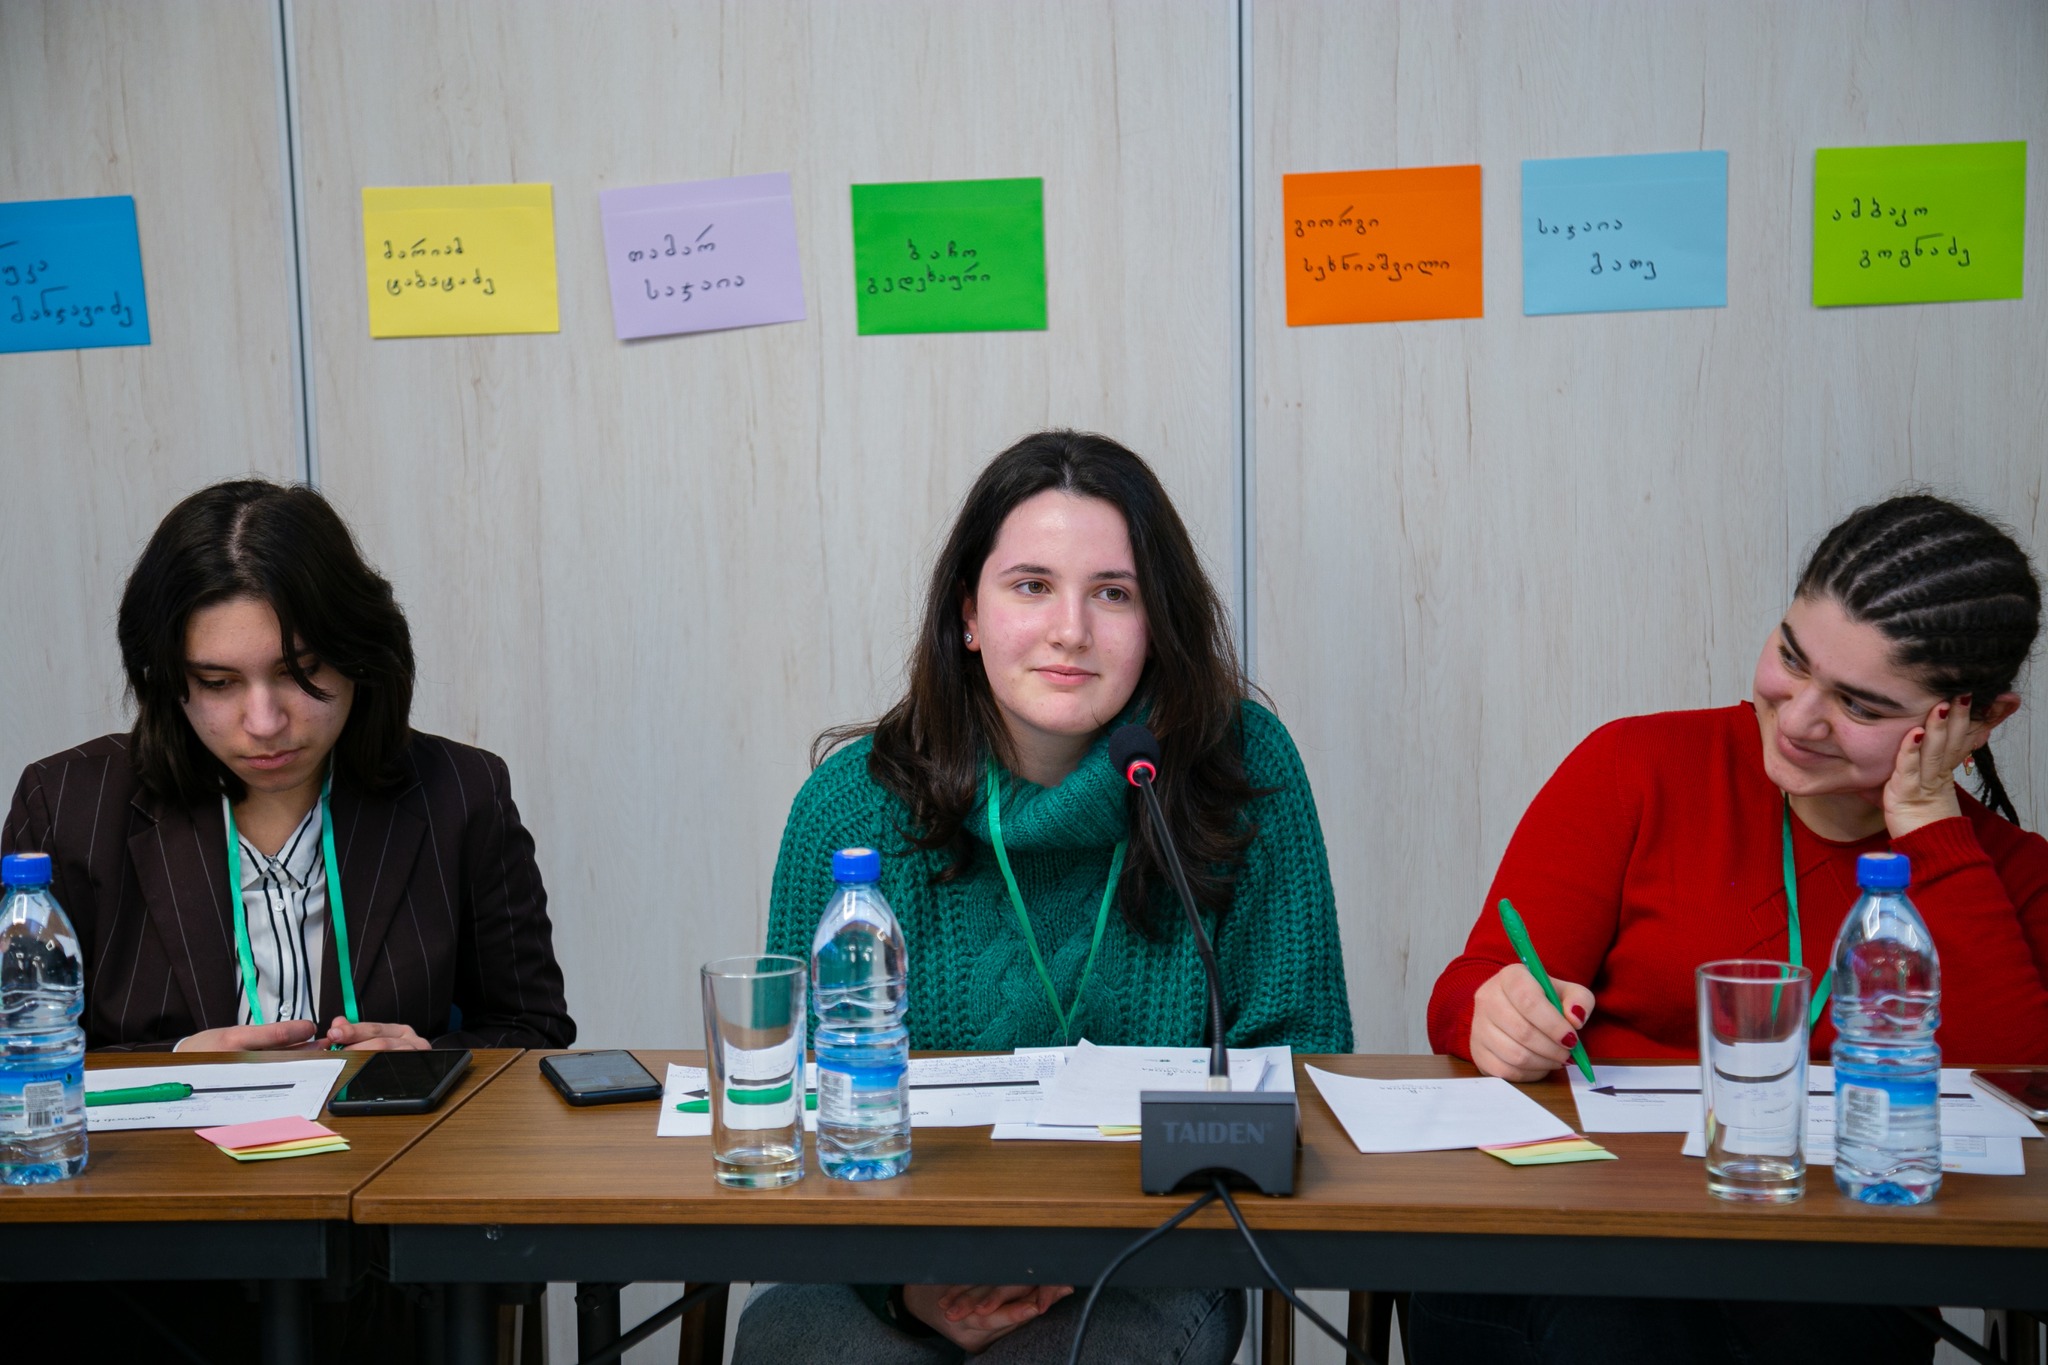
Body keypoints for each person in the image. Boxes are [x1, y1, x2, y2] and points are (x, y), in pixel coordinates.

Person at [732, 430, 1352, 1364]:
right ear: (969, 615)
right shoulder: (852, 806)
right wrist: (907, 1288)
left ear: (1159, 620)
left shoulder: (1242, 772)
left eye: (1114, 593)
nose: (1072, 630)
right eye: (1031, 586)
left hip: (1153, 1256)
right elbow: (803, 1099)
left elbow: (1302, 1065)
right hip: (886, 1252)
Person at [1415, 493, 2048, 1364]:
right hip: (1581, 1234)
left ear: (1975, 721)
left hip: (1821, 1270)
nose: (1797, 717)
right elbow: (1470, 988)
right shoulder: (1637, 767)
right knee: (1614, 1320)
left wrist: (1930, 830)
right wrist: (1493, 1014)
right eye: (1791, 657)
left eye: (1861, 706)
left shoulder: (2003, 875)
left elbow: (2019, 1101)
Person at [3, 478, 576, 1056]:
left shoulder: (461, 793)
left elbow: (533, 1030)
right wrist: (175, 1071)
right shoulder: (65, 808)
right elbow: (15, 1052)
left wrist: (432, 1067)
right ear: (166, 680)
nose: (264, 722)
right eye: (217, 683)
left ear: (359, 655)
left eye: (300, 672)